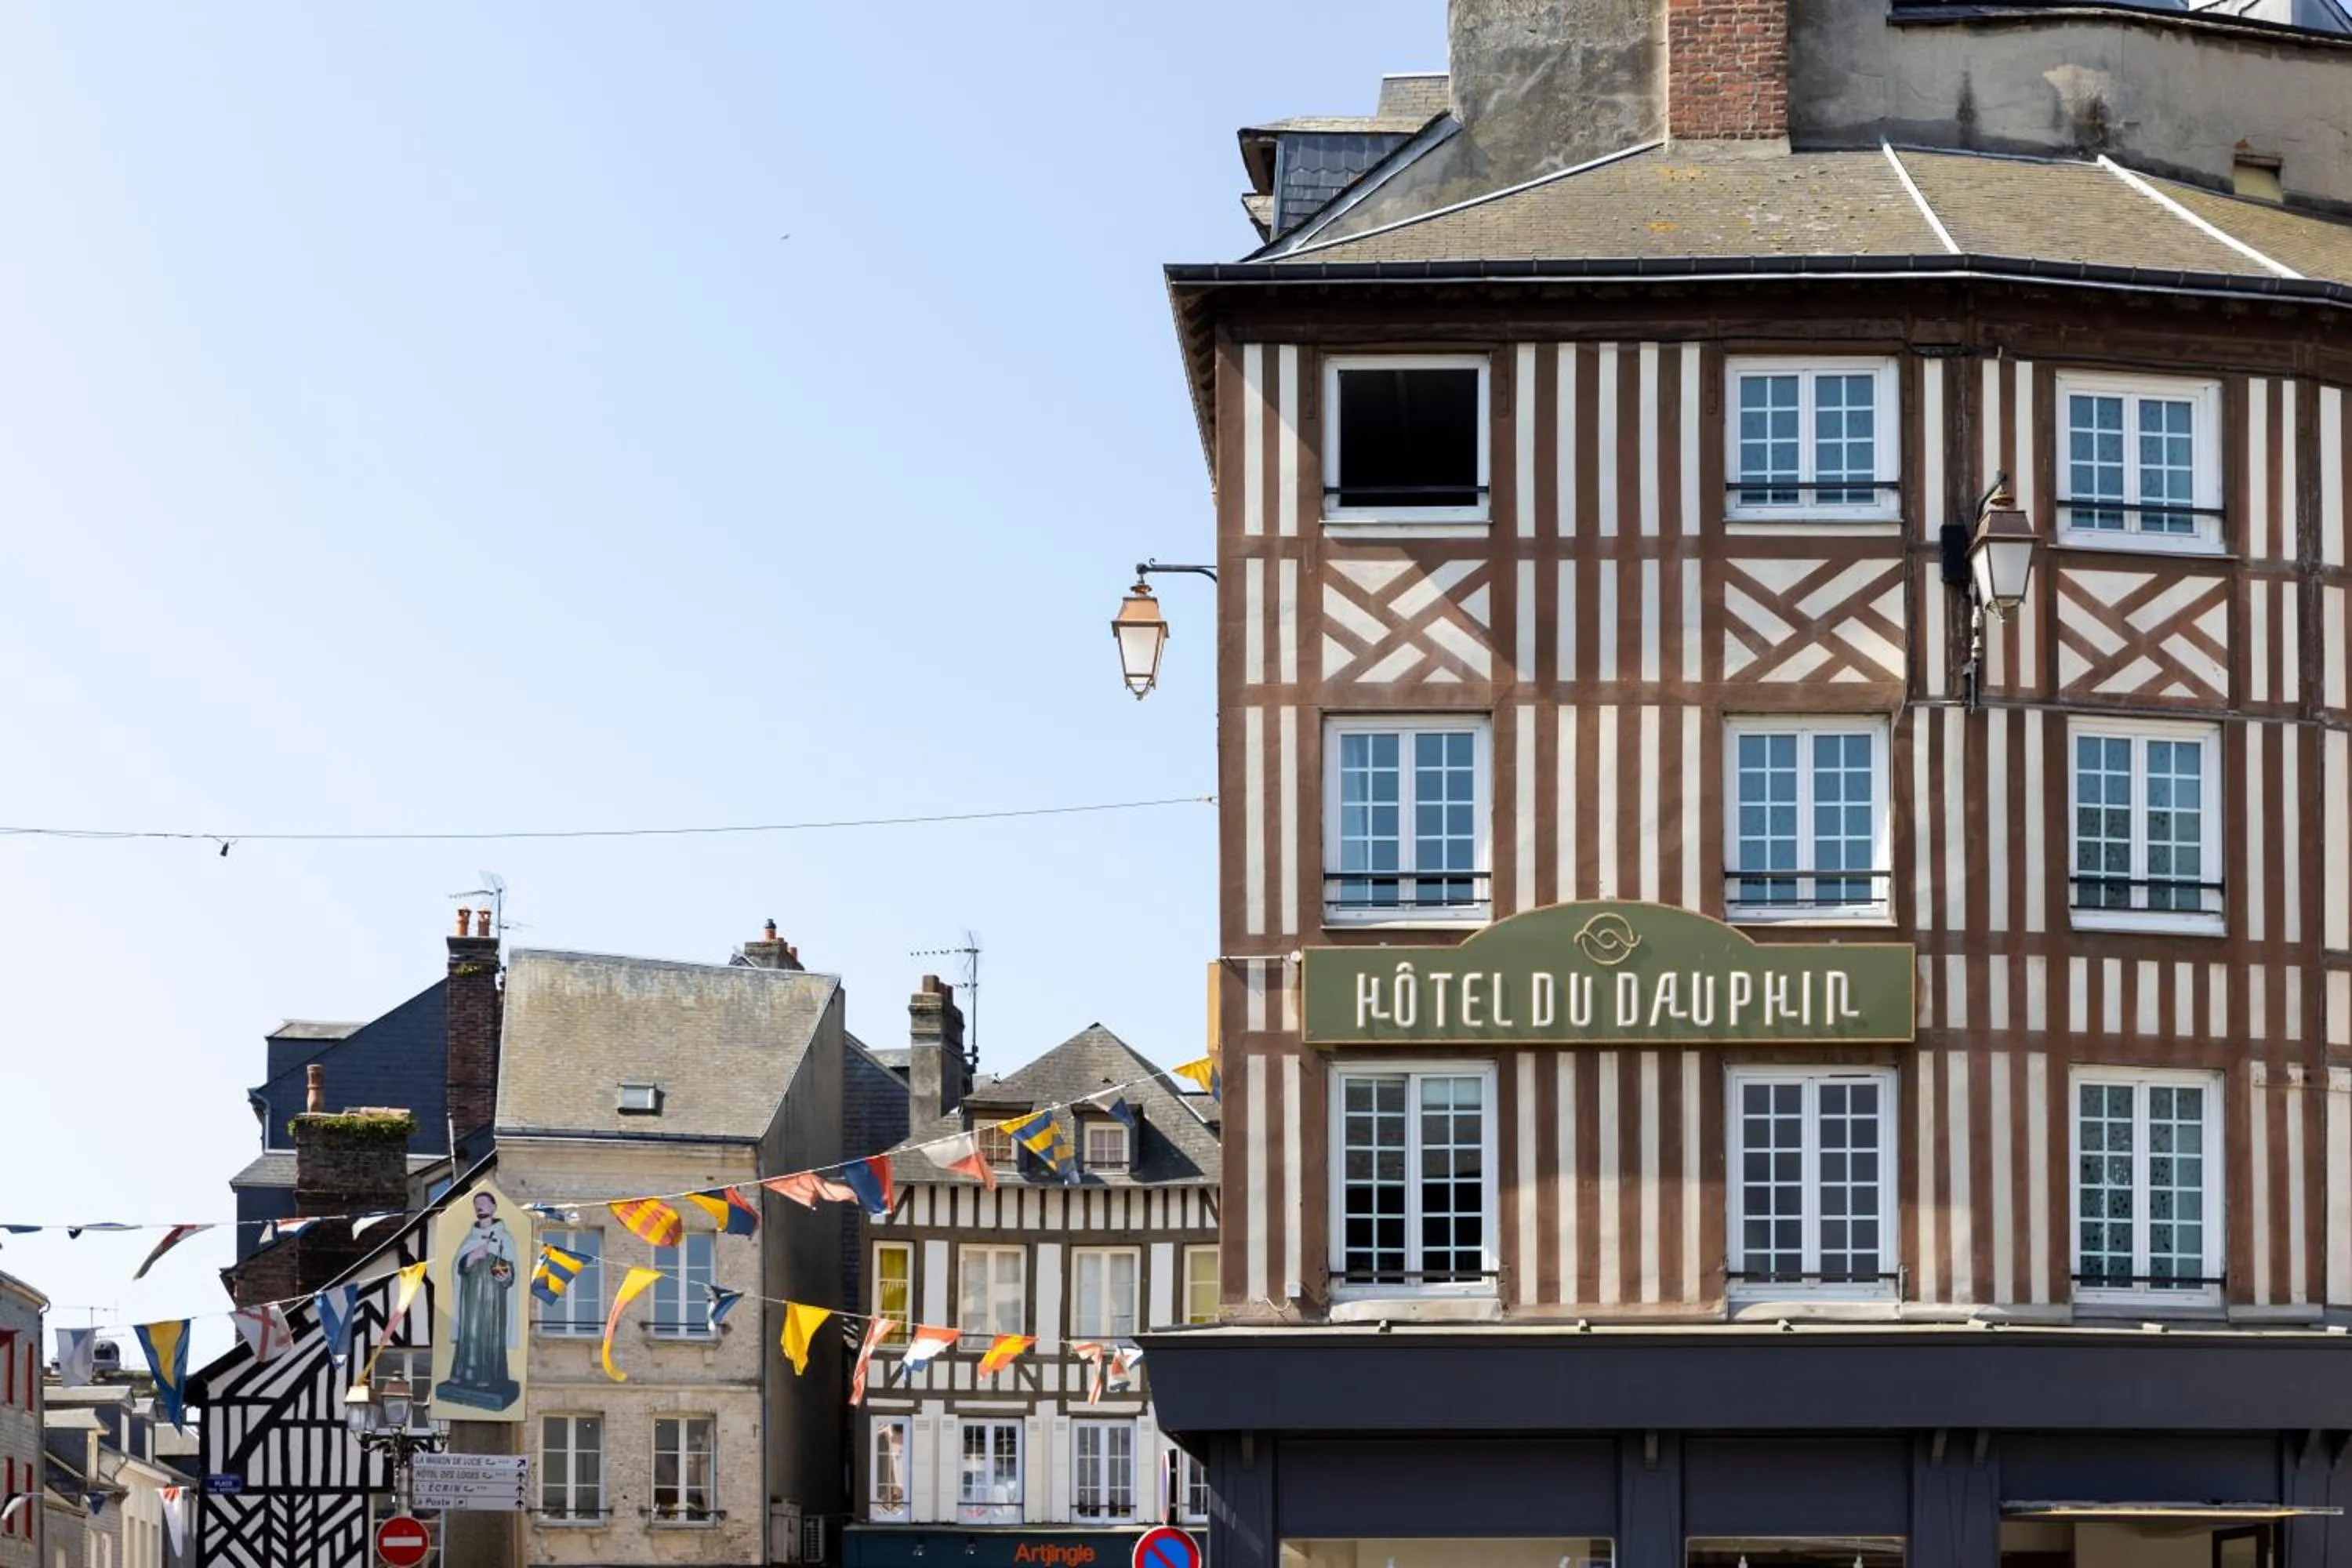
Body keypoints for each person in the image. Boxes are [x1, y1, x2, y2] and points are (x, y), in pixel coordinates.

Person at [437, 1192, 519, 1409]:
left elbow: (511, 1271)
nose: (480, 1207)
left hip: (494, 1299)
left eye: (484, 1203)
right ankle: (463, 1373)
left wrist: (506, 1275)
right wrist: (472, 1257)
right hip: (472, 1296)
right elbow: (458, 1266)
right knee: (470, 1332)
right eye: (476, 1204)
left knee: (489, 1334)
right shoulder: (470, 1238)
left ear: (494, 1207)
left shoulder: (505, 1238)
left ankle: (490, 1376)